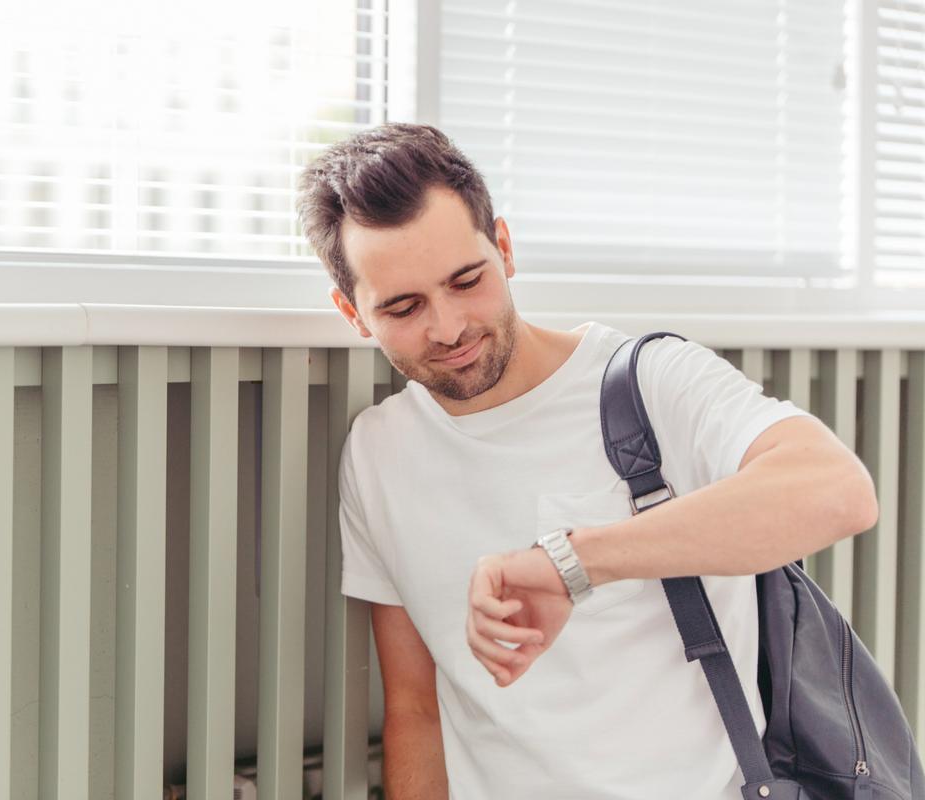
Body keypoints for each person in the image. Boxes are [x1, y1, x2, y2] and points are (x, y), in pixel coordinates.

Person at [295, 123, 879, 799]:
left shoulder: (650, 382)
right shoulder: (377, 452)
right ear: (352, 313)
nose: (449, 327)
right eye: (403, 307)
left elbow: (838, 492)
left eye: (467, 280)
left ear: (504, 248)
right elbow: (415, 711)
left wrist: (572, 562)